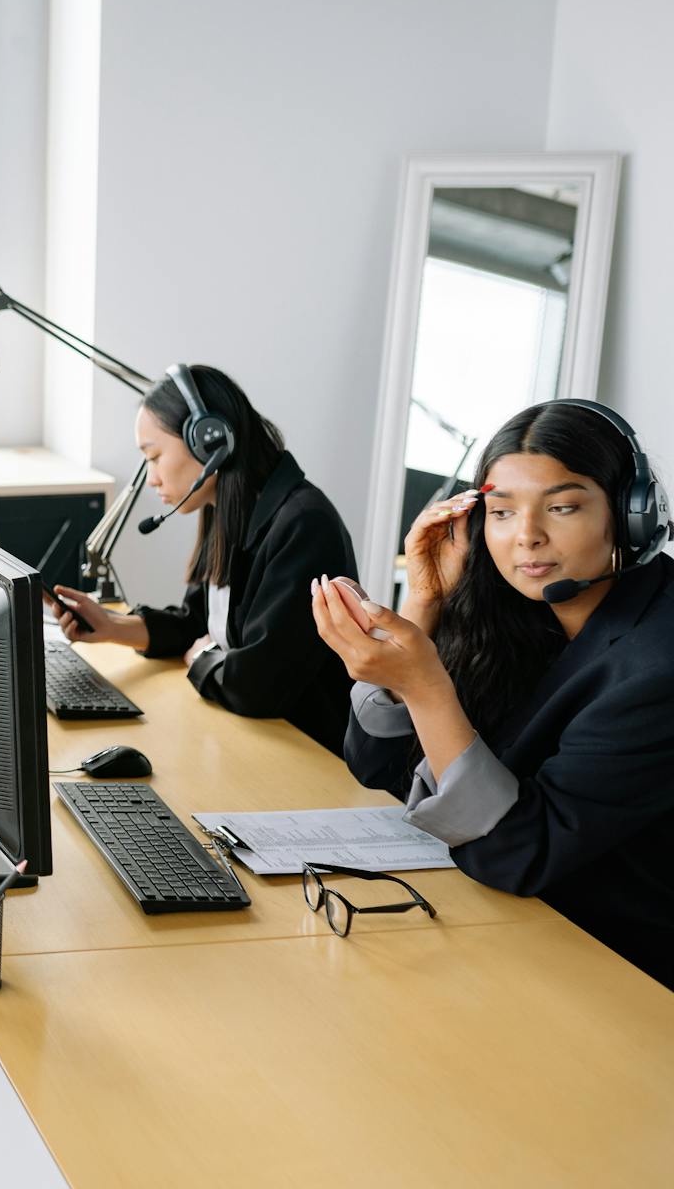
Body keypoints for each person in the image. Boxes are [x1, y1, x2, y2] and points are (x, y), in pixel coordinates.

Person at [315, 399, 674, 988]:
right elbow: (377, 763)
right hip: (519, 932)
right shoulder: (518, 612)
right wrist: (425, 602)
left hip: (620, 972)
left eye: (562, 507)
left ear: (630, 515)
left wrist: (427, 687)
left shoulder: (658, 664)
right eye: (502, 512)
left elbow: (518, 851)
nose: (526, 537)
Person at [47, 365, 359, 753]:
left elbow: (259, 686)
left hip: (304, 753)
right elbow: (198, 622)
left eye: (155, 456)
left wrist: (202, 659)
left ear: (209, 444)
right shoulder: (229, 508)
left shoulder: (304, 526)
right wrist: (113, 626)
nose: (153, 477)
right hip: (249, 739)